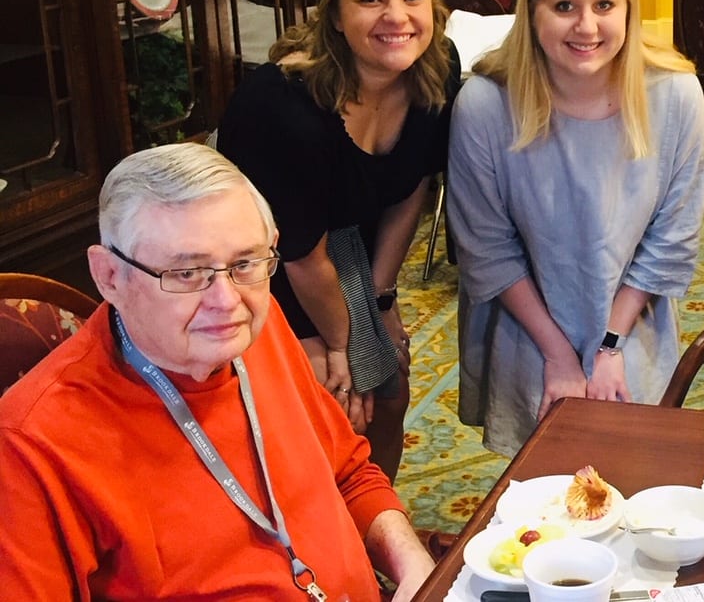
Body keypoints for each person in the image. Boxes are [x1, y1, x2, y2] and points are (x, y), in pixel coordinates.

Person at [0, 143, 435, 599]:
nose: (227, 303)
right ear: (109, 276)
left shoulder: (256, 330)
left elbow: (348, 474)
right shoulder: (33, 443)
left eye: (245, 263)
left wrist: (411, 562)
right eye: (187, 273)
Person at [448, 0, 704, 457]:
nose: (587, 26)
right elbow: (488, 251)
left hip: (629, 323)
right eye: (565, 5)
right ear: (533, 12)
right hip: (528, 330)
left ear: (629, 11)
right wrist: (559, 354)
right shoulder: (485, 105)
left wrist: (608, 345)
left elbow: (671, 241)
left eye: (605, 4)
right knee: (545, 496)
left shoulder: (676, 94)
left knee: (634, 481)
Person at [218, 0, 460, 482]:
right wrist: (339, 345)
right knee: (329, 408)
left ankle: (374, 530)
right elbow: (301, 255)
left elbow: (412, 186)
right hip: (259, 266)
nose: (397, 18)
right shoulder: (282, 110)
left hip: (346, 249)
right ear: (334, 13)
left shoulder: (435, 71)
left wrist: (380, 300)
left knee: (391, 388)